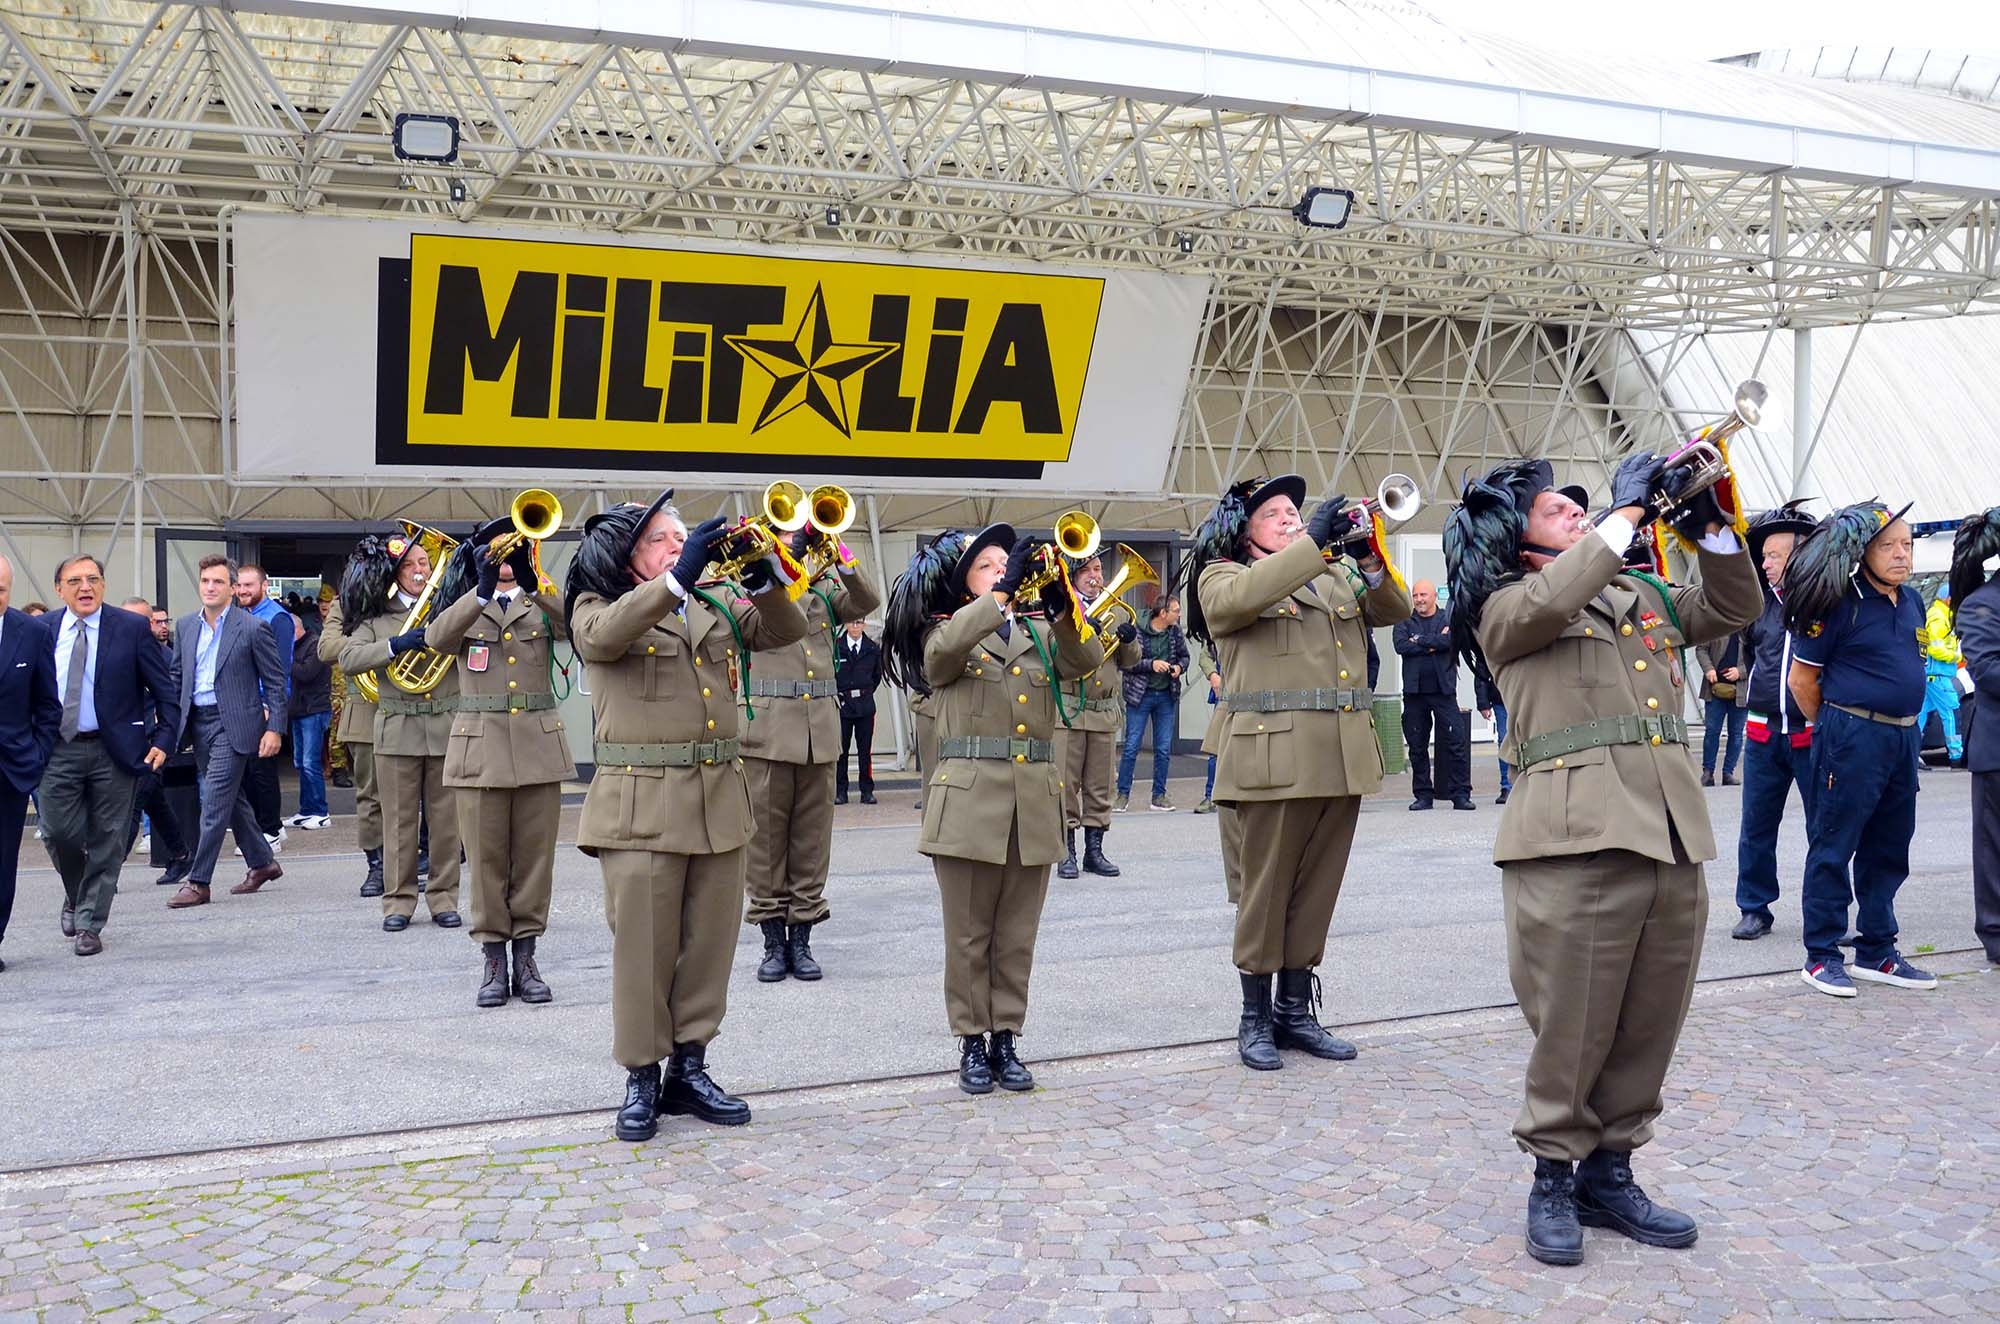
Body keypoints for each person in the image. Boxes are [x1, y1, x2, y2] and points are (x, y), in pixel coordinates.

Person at [1444, 453, 1759, 1266]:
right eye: (1557, 510)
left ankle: (1610, 1172)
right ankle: (1553, 1172)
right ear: (1513, 537)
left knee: (1653, 1013)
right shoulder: (1505, 605)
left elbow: (1735, 603)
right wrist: (1623, 518)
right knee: (1573, 1021)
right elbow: (1552, 599)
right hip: (1573, 836)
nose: (1578, 514)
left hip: (1669, 830)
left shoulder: (1640, 591)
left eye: (1582, 509)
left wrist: (1711, 527)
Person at [1187, 475, 1412, 1072]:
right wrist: (1311, 542)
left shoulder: (1330, 574)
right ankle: (1255, 1016)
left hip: (1338, 756)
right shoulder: (1222, 575)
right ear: (1245, 530)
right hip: (1269, 758)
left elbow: (1392, 609)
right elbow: (1238, 605)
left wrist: (1368, 558)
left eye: (1294, 511)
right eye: (1275, 514)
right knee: (1264, 893)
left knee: (1316, 889)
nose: (1290, 518)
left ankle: (1294, 1009)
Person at [882, 523, 1099, 1094]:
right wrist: (999, 595)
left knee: (1017, 933)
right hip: (970, 801)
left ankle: (1007, 1035)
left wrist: (1061, 604)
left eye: (1009, 564)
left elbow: (1088, 658)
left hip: (1031, 799)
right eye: (990, 565)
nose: (1005, 571)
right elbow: (939, 660)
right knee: (970, 933)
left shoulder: (1037, 632)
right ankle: (971, 1040)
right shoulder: (946, 632)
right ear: (966, 585)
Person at [1785, 502, 1935, 997]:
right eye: (1889, 545)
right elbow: (1802, 680)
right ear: (1864, 551)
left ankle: (1877, 950)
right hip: (1852, 734)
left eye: (1908, 545)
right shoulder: (1837, 602)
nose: (1901, 555)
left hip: (1903, 736)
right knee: (1834, 842)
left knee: (1890, 846)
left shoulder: (1911, 601)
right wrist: (1835, 725)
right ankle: (1822, 954)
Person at [424, 525, 574, 1008]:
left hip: (537, 748)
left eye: (513, 549)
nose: (504, 557)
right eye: (494, 551)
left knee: (534, 860)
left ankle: (527, 958)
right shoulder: (466, 602)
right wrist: (481, 588)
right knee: (487, 859)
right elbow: (437, 638)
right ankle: (493, 959)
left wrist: (534, 584)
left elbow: (580, 628)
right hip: (482, 751)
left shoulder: (540, 601)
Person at [739, 530, 878, 983]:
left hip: (820, 731)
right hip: (769, 732)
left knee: (811, 842)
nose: (794, 544)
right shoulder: (752, 586)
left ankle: (802, 940)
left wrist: (840, 555)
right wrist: (769, 568)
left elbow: (867, 600)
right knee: (765, 842)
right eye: (784, 537)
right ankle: (772, 942)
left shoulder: (822, 593)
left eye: (797, 537)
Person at [41, 554, 179, 955]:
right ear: (59, 588)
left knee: (109, 839)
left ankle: (89, 923)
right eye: (75, 581)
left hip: (115, 750)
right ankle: (80, 891)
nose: (85, 587)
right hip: (57, 749)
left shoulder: (132, 628)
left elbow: (165, 692)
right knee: (57, 831)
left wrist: (164, 741)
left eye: (93, 579)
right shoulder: (42, 630)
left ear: (103, 584)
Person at [339, 530, 463, 931]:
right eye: (409, 566)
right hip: (396, 728)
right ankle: (398, 902)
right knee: (399, 822)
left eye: (424, 564)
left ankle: (444, 898)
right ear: (395, 574)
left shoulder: (447, 609)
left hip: (444, 725)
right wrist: (394, 645)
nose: (419, 572)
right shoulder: (377, 617)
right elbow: (348, 657)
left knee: (446, 824)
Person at [164, 554, 288, 910]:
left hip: (234, 724)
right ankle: (263, 863)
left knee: (214, 801)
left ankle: (199, 881)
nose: (210, 587)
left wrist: (275, 728)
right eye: (205, 581)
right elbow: (177, 676)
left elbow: (276, 682)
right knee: (231, 800)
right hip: (196, 722)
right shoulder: (186, 626)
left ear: (233, 588)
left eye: (218, 582)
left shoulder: (251, 628)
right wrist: (169, 719)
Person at [1730, 500, 1820, 941]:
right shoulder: (1758, 604)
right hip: (1764, 730)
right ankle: (1754, 908)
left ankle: (1826, 909)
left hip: (1810, 732)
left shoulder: (1825, 603)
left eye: (1773, 555)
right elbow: (1751, 653)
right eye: (1763, 555)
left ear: (1799, 555)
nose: (1764, 564)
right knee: (1756, 825)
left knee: (1823, 826)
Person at [1054, 551, 1140, 878]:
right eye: (1088, 570)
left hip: (1103, 712)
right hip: (1070, 710)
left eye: (1099, 569)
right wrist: (1077, 631)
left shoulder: (1116, 610)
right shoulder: (1063, 611)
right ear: (1074, 575)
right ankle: (1066, 852)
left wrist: (1130, 642)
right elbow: (1051, 654)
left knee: (1100, 785)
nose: (1096, 576)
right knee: (1065, 784)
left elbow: (1130, 661)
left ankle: (1095, 851)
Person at [0, 556, 59, 973]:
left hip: (11, 767)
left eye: (1, 590)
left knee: (2, 861)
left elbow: (47, 705)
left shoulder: (32, 633)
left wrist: (36, 754)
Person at [1950, 508, 2000, 963]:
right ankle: (1997, 938)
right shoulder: (1983, 603)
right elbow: (1987, 673)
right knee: (1995, 851)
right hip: (1998, 750)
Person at [119, 598, 191, 875]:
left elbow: (172, 701)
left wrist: (167, 738)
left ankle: (105, 872)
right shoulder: (113, 651)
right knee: (154, 803)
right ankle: (181, 853)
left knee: (131, 808)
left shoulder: (163, 657)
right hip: (123, 745)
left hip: (152, 745)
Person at [320, 587, 383, 895]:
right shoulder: (346, 602)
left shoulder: (419, 595)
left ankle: (426, 859)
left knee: (428, 795)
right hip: (365, 710)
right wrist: (383, 645)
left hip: (418, 705)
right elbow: (327, 648)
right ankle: (377, 865)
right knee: (371, 797)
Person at [1394, 578, 1473, 811]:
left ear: (1433, 597)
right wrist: (1434, 643)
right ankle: (1423, 795)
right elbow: (1401, 646)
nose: (1419, 599)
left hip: (1444, 691)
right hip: (1415, 693)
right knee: (1417, 745)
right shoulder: (1404, 621)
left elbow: (1451, 641)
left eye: (1423, 595)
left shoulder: (1448, 619)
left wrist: (1419, 640)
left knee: (1456, 742)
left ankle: (1460, 794)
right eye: (1416, 595)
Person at [233, 564, 294, 853]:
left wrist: (271, 705)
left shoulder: (276, 618)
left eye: (249, 585)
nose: (243, 590)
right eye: (239, 585)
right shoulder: (242, 616)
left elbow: (280, 668)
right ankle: (274, 826)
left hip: (264, 705)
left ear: (264, 585)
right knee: (249, 769)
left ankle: (268, 829)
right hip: (244, 705)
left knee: (262, 771)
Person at [1115, 595, 1188, 812]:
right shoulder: (1136, 629)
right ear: (1162, 613)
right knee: (1131, 747)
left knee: (1163, 748)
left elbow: (1184, 656)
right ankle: (1122, 795)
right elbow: (1126, 663)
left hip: (1166, 695)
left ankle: (1159, 796)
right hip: (1140, 695)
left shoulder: (1175, 632)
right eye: (1176, 610)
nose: (1179, 614)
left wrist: (1179, 668)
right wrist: (1151, 665)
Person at [282, 611, 332, 831]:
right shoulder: (296, 646)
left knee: (311, 764)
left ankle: (321, 812)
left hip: (314, 710)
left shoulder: (315, 645)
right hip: (299, 711)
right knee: (300, 763)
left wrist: (284, 659)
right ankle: (306, 810)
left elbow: (306, 673)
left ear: (295, 629)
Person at [834, 619, 883, 806]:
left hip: (864, 706)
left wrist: (864, 693)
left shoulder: (872, 649)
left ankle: (866, 791)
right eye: (852, 623)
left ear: (864, 625)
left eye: (859, 623)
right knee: (841, 751)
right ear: (846, 624)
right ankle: (841, 791)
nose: (855, 627)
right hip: (844, 705)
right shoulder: (836, 648)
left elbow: (876, 677)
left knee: (865, 751)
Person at [1916, 585, 1964, 764]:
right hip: (1938, 676)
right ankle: (1956, 756)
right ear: (1948, 599)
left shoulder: (1938, 615)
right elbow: (1935, 648)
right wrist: (1956, 656)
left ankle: (1912, 755)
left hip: (1930, 675)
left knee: (1920, 716)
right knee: (1951, 712)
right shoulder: (1939, 618)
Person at [1696, 628, 1750, 786]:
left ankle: (1728, 773)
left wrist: (1740, 671)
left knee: (1736, 734)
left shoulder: (1750, 627)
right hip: (1714, 689)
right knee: (1712, 732)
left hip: (1739, 692)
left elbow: (1760, 655)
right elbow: (1701, 649)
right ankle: (1708, 773)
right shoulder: (1717, 624)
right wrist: (1709, 669)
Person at [1475, 670, 1511, 805]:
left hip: (1524, 696)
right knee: (1504, 741)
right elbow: (1481, 671)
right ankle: (1507, 786)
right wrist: (1483, 704)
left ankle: (1527, 784)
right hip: (1500, 698)